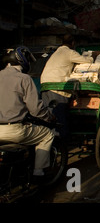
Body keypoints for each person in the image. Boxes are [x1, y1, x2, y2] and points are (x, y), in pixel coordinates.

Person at [0, 46, 55, 181]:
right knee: (47, 134)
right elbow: (36, 109)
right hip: (13, 129)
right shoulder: (24, 79)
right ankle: (38, 172)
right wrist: (49, 117)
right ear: (22, 60)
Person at [40, 34, 97, 139]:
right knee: (59, 118)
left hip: (45, 86)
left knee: (47, 116)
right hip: (57, 87)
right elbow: (87, 61)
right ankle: (60, 142)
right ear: (73, 43)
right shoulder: (69, 52)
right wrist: (93, 55)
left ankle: (48, 142)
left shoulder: (56, 53)